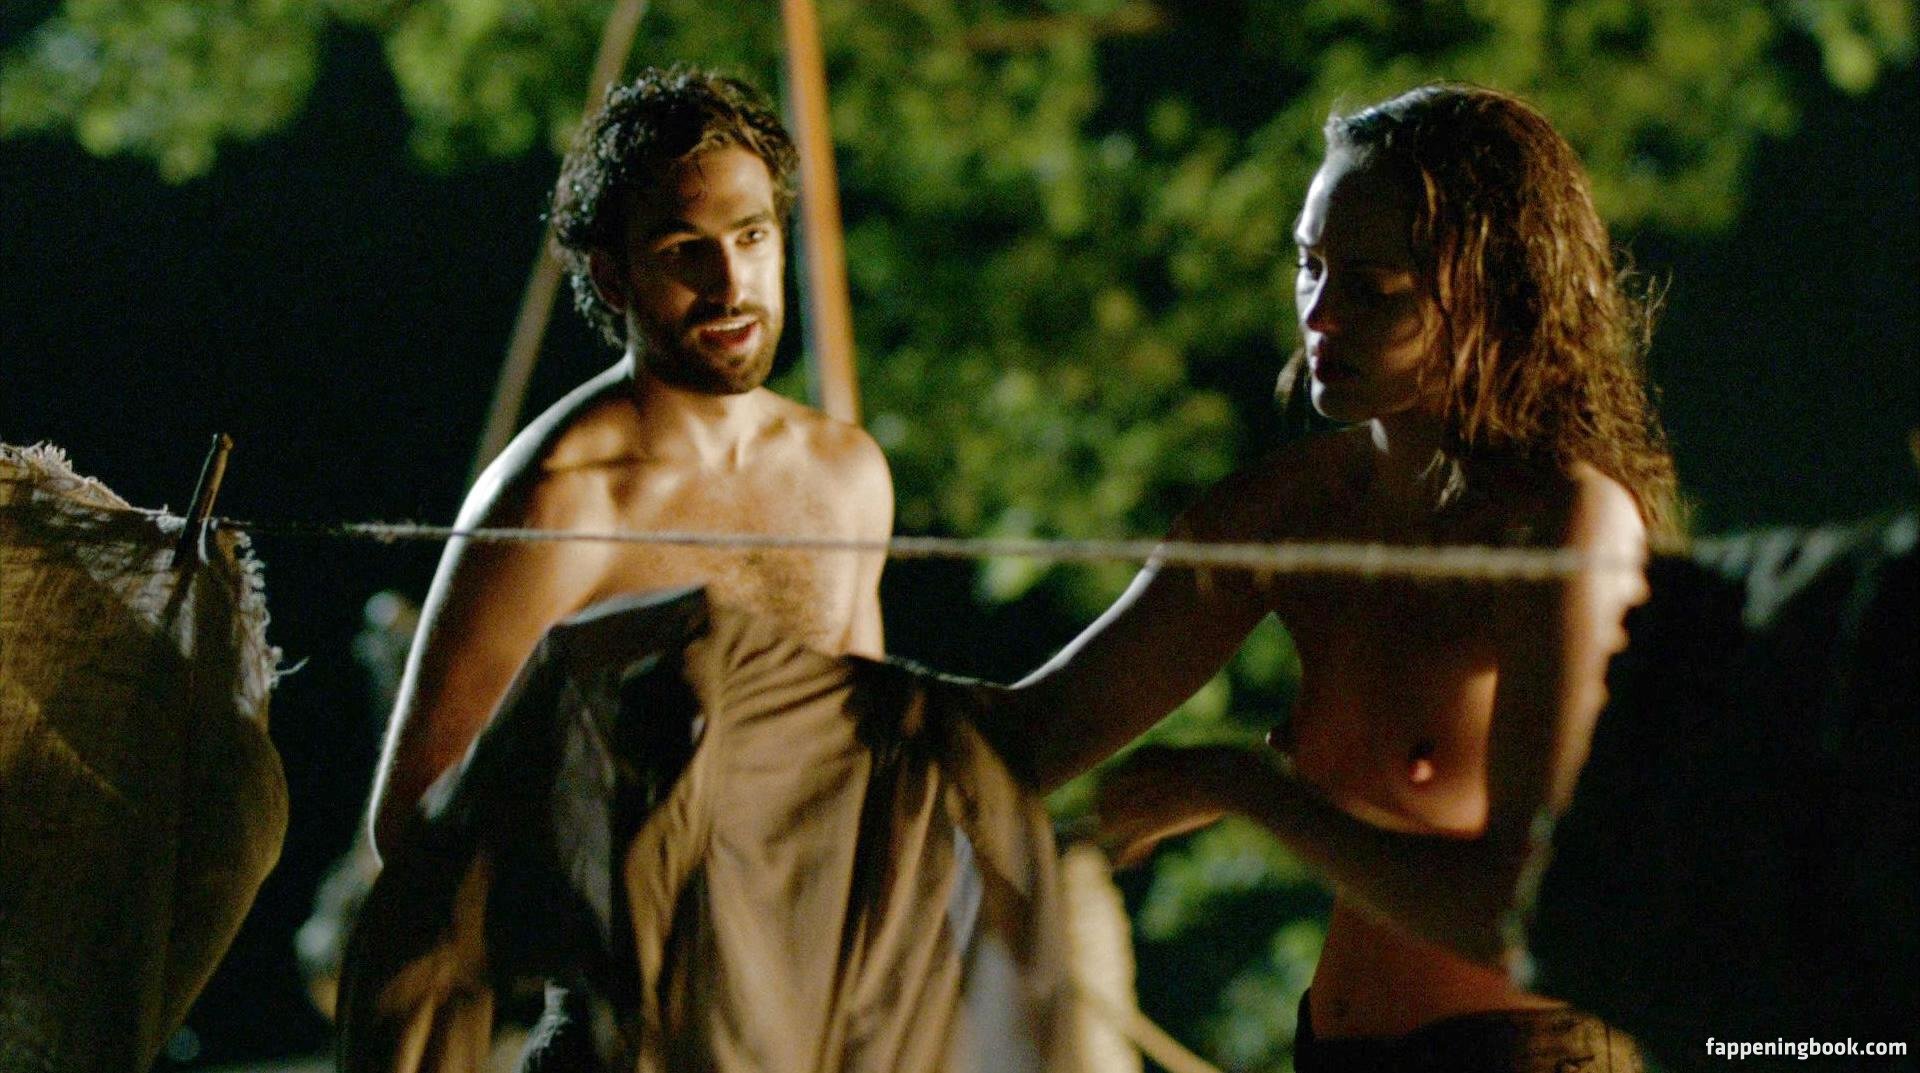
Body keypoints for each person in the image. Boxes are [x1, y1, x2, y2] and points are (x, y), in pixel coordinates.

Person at [978, 83, 1679, 1070]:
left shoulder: (1560, 523)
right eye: (1309, 266)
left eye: (1370, 286)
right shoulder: (1290, 508)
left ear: (1492, 292)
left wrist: (1246, 787)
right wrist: (789, 693)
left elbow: (1520, 909)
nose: (1320, 313)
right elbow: (1029, 732)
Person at [367, 67, 892, 860]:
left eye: (751, 236)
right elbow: (413, 814)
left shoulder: (846, 474)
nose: (730, 284)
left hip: (813, 925)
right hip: (615, 933)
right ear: (614, 278)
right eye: (685, 249)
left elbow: (863, 746)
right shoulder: (561, 501)